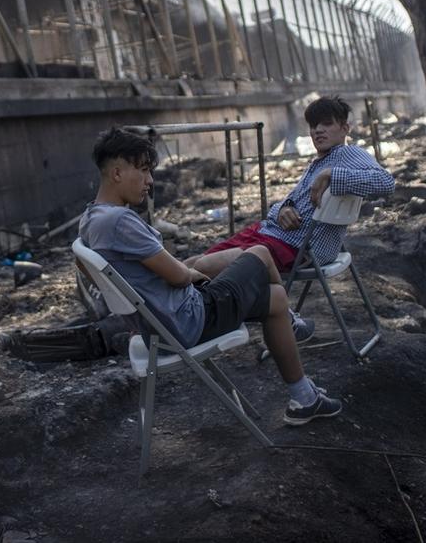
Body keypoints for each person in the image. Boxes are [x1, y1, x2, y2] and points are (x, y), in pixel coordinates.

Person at [79, 127, 342, 426]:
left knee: (275, 298)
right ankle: (293, 328)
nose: (150, 182)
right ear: (117, 173)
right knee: (259, 252)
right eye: (143, 171)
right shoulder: (120, 221)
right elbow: (178, 277)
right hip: (190, 321)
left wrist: (193, 270)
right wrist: (196, 276)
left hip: (160, 325)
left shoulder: (90, 220)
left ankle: (304, 398)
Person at [188, 96, 395, 339]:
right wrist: (284, 207)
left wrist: (332, 174)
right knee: (192, 263)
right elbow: (286, 203)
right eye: (313, 125)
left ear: (345, 128)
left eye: (326, 124)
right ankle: (157, 304)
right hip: (270, 234)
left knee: (203, 267)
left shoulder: (348, 155)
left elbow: (386, 183)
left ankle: (183, 320)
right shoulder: (318, 161)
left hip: (295, 248)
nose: (318, 130)